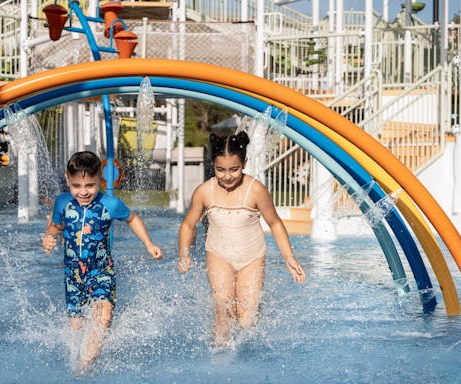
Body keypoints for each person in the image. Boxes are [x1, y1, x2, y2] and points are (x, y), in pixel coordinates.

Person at [178, 131, 305, 348]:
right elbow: (188, 224)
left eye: (234, 169)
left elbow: (274, 223)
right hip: (219, 255)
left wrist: (289, 257)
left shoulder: (255, 190)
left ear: (244, 163)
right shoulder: (204, 192)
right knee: (223, 309)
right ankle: (220, 357)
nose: (227, 176)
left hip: (251, 258)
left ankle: (245, 354)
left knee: (247, 320)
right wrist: (184, 255)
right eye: (220, 170)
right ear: (212, 165)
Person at [42, 151, 162, 370]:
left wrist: (148, 244)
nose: (83, 192)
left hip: (101, 271)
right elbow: (56, 227)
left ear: (100, 180)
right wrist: (49, 237)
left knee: (103, 316)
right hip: (73, 275)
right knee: (76, 327)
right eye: (77, 185)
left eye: (90, 185)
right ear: (67, 180)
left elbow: (132, 218)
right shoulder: (62, 202)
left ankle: (85, 366)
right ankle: (91, 350)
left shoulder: (110, 204)